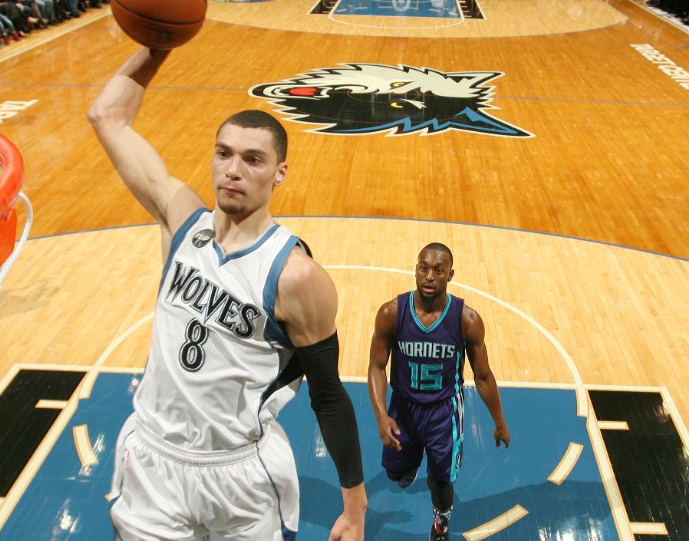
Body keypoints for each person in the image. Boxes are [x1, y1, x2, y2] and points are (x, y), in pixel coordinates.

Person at [87, 47, 367, 540]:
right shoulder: (180, 219)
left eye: (253, 159)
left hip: (239, 472)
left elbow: (327, 395)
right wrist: (157, 45)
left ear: (280, 172)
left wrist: (355, 504)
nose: (233, 170)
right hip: (153, 460)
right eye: (224, 153)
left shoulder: (296, 276)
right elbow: (106, 116)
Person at [367, 243, 510, 541]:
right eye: (424, 268)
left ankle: (440, 527)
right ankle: (408, 465)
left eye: (438, 270)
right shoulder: (391, 313)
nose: (429, 276)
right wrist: (380, 415)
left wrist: (499, 422)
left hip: (444, 413)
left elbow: (483, 376)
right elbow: (377, 367)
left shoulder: (466, 320)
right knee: (394, 474)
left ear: (450, 275)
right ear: (415, 270)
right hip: (403, 408)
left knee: (440, 482)